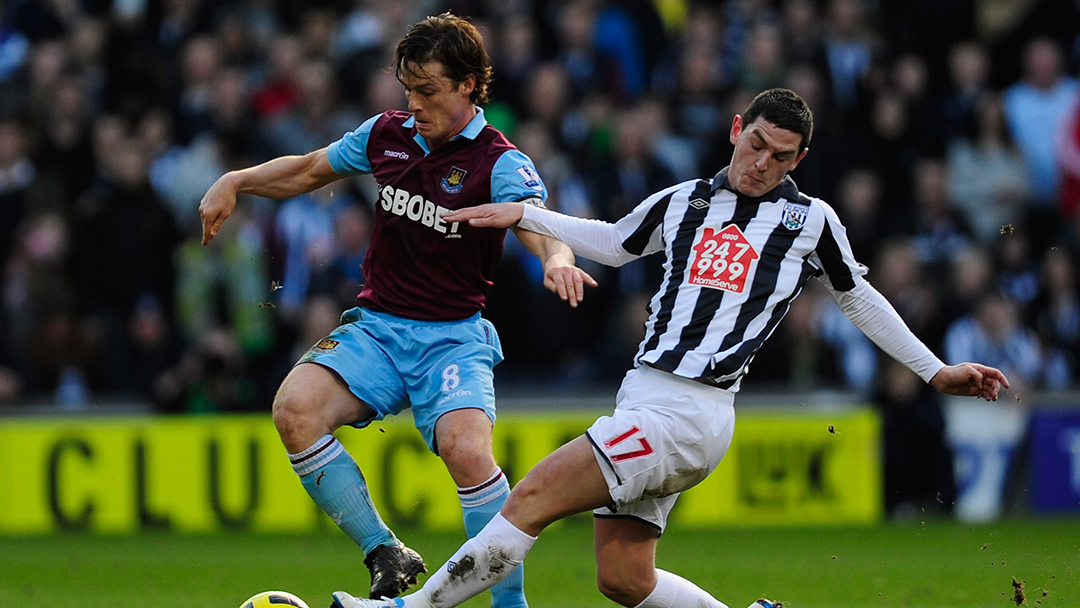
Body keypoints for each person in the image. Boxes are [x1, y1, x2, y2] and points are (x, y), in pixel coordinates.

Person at [329, 88, 1010, 608]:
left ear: (800, 159)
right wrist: (525, 214)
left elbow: (858, 295)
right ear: (737, 130)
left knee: (531, 493)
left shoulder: (809, 220)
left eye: (781, 156)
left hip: (690, 413)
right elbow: (614, 241)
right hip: (647, 397)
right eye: (756, 146)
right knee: (623, 579)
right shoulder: (683, 201)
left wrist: (935, 369)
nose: (761, 164)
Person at [198, 13, 595, 606]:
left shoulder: (500, 162)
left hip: (452, 337)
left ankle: (510, 605)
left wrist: (556, 259)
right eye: (408, 89)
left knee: (467, 450)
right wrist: (237, 179)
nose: (414, 103)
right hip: (379, 327)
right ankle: (384, 550)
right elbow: (310, 169)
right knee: (294, 411)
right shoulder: (387, 134)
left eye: (428, 90)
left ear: (467, 84)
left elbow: (537, 224)